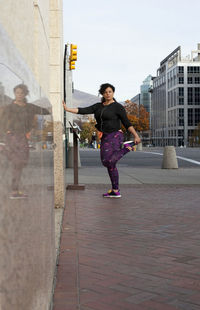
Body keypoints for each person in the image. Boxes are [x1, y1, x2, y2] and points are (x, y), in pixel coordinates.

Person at [63, 83, 141, 198]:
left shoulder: (118, 107)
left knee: (108, 161)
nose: (108, 94)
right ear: (102, 94)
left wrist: (136, 135)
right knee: (109, 163)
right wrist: (67, 109)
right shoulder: (98, 106)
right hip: (105, 136)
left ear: (113, 93)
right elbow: (84, 110)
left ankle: (127, 148)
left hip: (115, 135)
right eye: (105, 92)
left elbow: (126, 122)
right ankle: (115, 190)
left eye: (110, 91)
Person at [0, 84, 50, 199]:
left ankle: (15, 190)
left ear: (25, 94)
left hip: (22, 138)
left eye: (21, 93)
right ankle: (14, 190)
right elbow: (2, 123)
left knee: (20, 164)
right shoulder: (9, 108)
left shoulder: (29, 107)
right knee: (16, 163)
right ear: (14, 94)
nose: (19, 95)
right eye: (17, 93)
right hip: (11, 137)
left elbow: (44, 111)